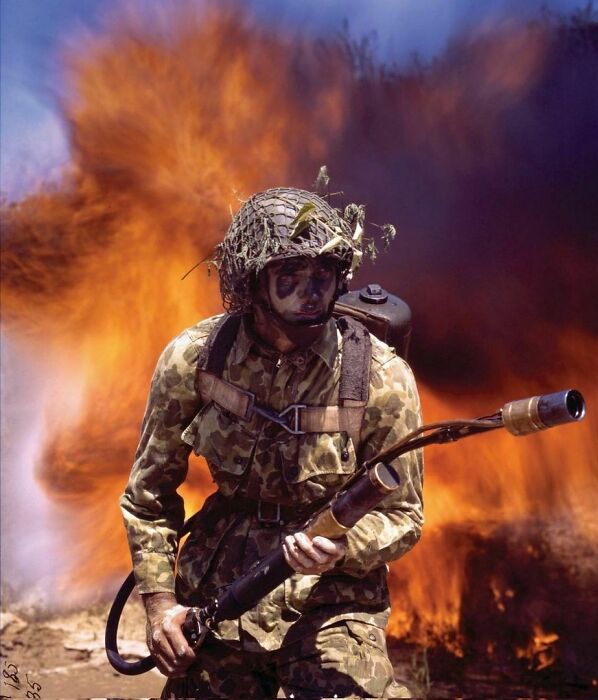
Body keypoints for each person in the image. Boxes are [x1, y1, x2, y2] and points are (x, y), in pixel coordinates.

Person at [120, 187, 424, 699]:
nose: (311, 293)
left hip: (334, 594)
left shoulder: (381, 378)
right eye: (290, 278)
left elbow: (404, 515)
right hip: (223, 584)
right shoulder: (195, 360)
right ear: (254, 284)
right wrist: (160, 607)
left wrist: (341, 548)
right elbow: (148, 497)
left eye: (322, 277)